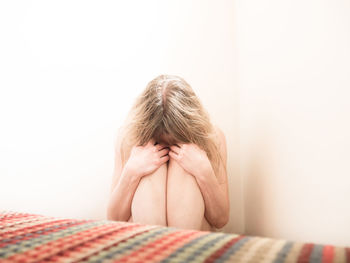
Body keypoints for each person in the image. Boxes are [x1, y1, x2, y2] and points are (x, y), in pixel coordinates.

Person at [106, 75, 229, 231]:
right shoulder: (128, 138)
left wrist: (204, 171)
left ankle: (176, 248)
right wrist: (132, 172)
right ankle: (156, 247)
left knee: (183, 168)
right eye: (160, 141)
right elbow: (114, 219)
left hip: (191, 239)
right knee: (152, 171)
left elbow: (221, 220)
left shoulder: (213, 137)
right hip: (145, 240)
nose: (168, 147)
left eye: (176, 141)